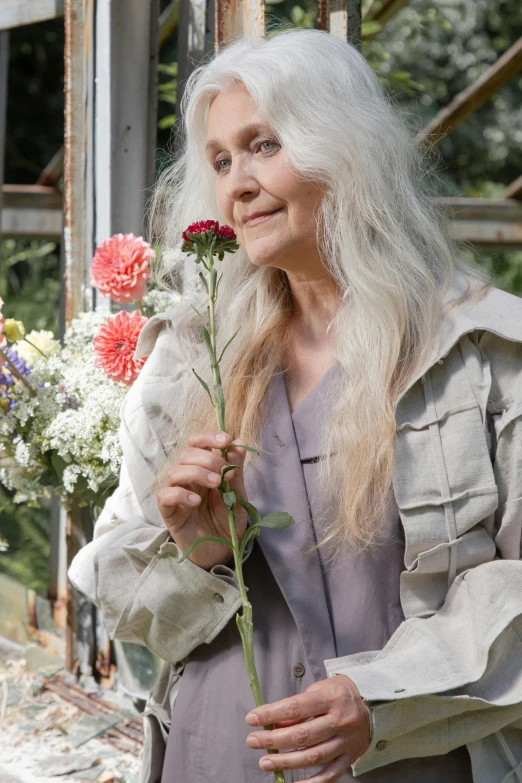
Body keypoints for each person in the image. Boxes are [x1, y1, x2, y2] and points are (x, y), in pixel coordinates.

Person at [68, 27, 522, 783]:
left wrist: (380, 696)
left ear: (342, 147)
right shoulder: (189, 358)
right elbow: (120, 581)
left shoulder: (477, 353)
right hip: (217, 755)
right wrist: (201, 549)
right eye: (219, 160)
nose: (236, 183)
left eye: (263, 146)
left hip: (407, 760)